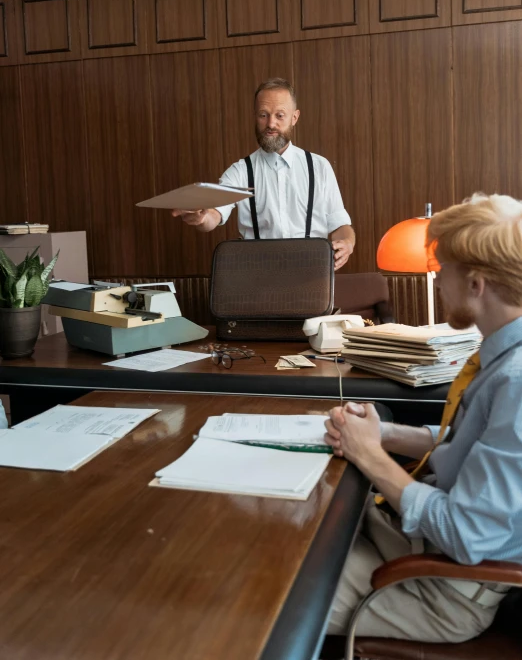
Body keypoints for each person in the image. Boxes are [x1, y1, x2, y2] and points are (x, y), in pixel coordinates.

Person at [324, 193, 522, 642]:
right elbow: (473, 445)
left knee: (261, 588)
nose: (435, 283)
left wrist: (371, 456)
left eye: (442, 270)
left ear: (476, 283)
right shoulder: (504, 355)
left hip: (446, 587)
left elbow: (466, 534)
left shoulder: (517, 382)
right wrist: (387, 433)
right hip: (420, 545)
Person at [171, 78, 355, 270]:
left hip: (312, 275)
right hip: (258, 279)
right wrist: (201, 218)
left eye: (280, 115)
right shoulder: (240, 171)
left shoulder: (319, 167)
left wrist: (347, 243)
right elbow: (214, 214)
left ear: (295, 117)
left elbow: (340, 225)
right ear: (255, 116)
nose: (271, 124)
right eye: (263, 115)